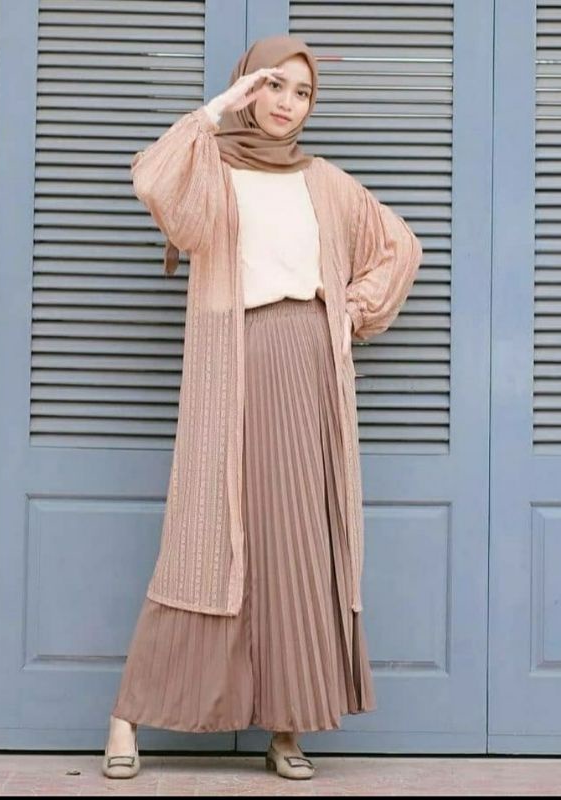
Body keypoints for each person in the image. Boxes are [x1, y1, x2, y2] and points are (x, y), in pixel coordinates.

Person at [102, 34, 423, 781]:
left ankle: (286, 726)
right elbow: (152, 177)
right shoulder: (210, 169)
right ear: (249, 86)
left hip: (308, 364)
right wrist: (217, 110)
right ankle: (127, 714)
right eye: (274, 85)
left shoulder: (327, 183)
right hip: (234, 361)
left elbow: (399, 246)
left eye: (302, 93)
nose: (287, 104)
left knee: (295, 545)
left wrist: (350, 310)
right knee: (205, 542)